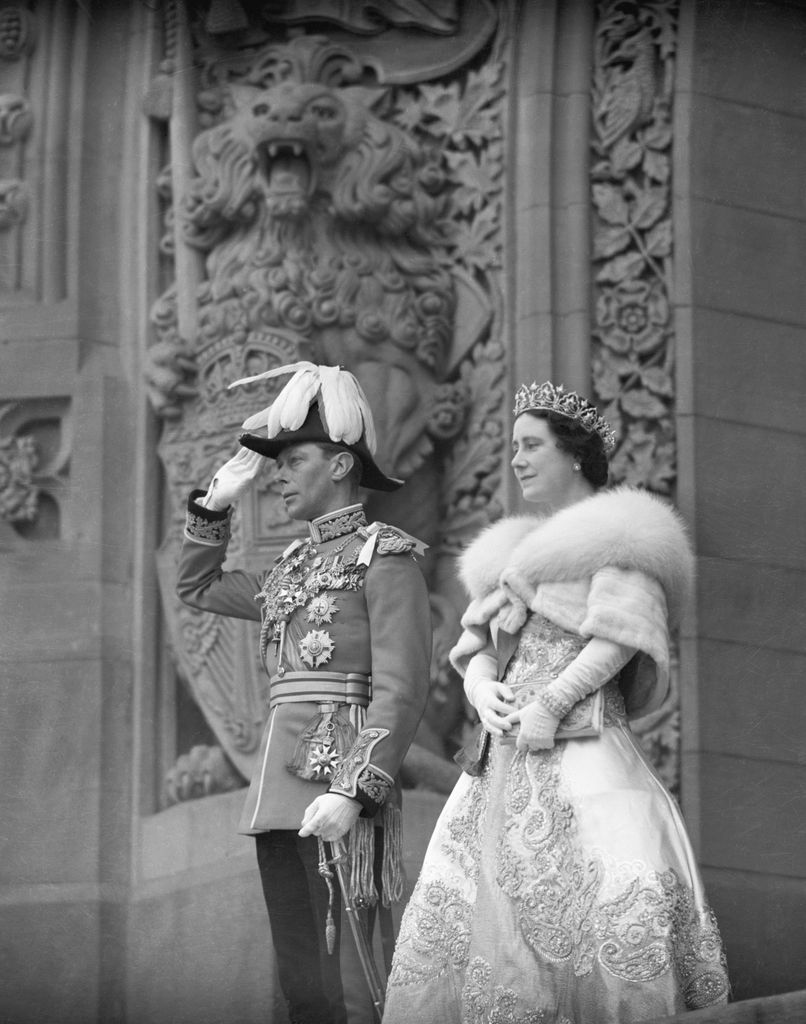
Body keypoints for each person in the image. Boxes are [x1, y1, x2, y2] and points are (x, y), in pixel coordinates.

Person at [382, 381, 730, 1023]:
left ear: (574, 454)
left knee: (605, 894)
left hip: (585, 749)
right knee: (478, 909)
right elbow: (482, 644)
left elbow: (620, 637)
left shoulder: (621, 535)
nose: (517, 459)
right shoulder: (512, 553)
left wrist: (555, 699)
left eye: (531, 445)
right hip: (503, 756)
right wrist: (482, 689)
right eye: (513, 446)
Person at [177, 362, 432, 1024]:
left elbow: (402, 689)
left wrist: (355, 789)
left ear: (342, 463)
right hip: (276, 790)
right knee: (301, 981)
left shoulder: (387, 558)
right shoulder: (291, 565)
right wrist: (214, 505)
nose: (279, 476)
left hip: (339, 778)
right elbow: (198, 589)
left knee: (349, 975)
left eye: (294, 460)